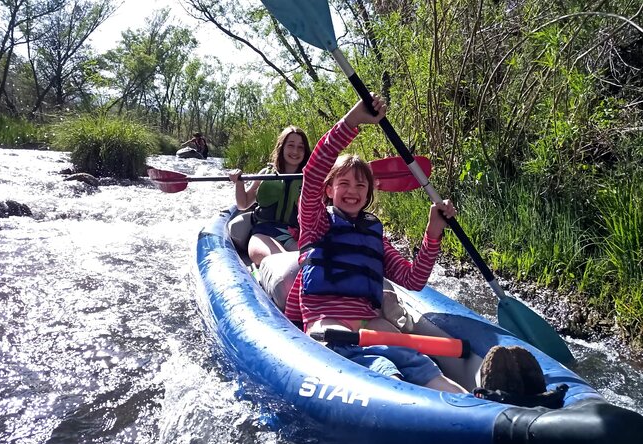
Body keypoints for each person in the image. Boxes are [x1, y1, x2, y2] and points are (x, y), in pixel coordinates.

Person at [284, 95, 548, 396]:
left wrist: (433, 231)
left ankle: (482, 403)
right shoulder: (316, 222)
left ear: (369, 192)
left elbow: (414, 279)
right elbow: (314, 169)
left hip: (372, 321)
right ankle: (409, 401)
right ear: (329, 190)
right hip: (328, 322)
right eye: (344, 184)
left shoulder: (375, 236)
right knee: (382, 369)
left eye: (360, 185)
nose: (352, 192)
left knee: (422, 367)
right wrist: (352, 121)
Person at [228, 126, 311, 266]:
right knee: (280, 262)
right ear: (282, 147)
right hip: (263, 231)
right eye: (290, 145)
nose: (295, 151)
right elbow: (243, 204)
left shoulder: (309, 179)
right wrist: (238, 182)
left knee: (305, 263)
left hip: (293, 234)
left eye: (300, 147)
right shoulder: (266, 173)